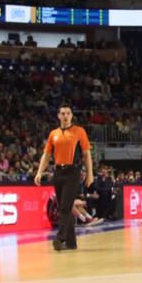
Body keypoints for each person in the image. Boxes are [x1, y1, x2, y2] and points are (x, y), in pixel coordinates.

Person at [35, 104, 94, 251]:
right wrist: (39, 172)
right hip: (58, 172)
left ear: (72, 115)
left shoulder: (79, 131)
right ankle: (71, 242)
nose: (65, 116)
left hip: (73, 172)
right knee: (65, 208)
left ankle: (60, 238)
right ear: (58, 116)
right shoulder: (53, 134)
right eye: (62, 113)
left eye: (68, 113)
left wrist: (90, 173)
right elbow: (47, 155)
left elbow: (86, 154)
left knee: (65, 207)